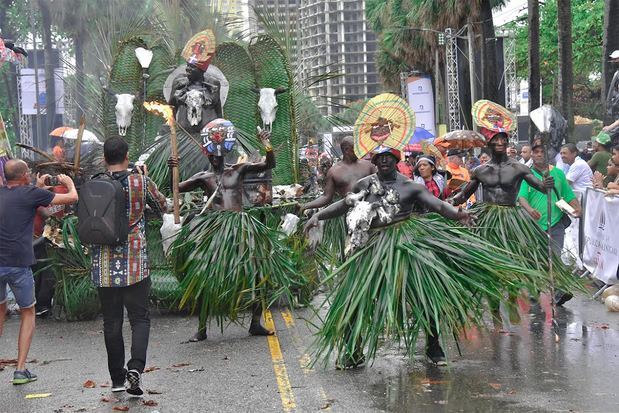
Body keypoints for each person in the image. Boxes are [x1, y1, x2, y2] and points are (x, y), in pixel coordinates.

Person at [172, 120, 277, 342]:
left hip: (240, 227)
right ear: (208, 154)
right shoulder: (203, 178)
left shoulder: (239, 169)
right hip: (215, 230)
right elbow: (175, 190)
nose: (217, 158)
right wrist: (174, 168)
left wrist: (266, 144)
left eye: (220, 155)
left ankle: (255, 323)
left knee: (261, 271)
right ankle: (201, 329)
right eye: (213, 155)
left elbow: (269, 165)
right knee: (203, 276)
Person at [90, 137, 168, 397]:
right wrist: (145, 180)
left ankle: (116, 379)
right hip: (135, 262)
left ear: (105, 157)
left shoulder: (94, 183)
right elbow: (162, 206)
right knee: (139, 318)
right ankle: (136, 368)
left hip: (103, 264)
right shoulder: (139, 182)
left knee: (111, 321)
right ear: (126, 154)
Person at [0, 159, 78, 384]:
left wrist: (39, 186)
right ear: (25, 175)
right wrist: (69, 182)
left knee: (1, 308)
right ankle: (21, 369)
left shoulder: (10, 193)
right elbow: (72, 198)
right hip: (18, 264)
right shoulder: (30, 193)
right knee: (28, 311)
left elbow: (27, 199)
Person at [518, 140, 582, 305]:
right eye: (536, 152)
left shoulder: (558, 174)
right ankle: (535, 288)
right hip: (533, 225)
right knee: (535, 258)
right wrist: (529, 210)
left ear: (549, 154)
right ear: (532, 154)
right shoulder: (527, 175)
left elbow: (567, 195)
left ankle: (559, 290)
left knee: (555, 256)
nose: (539, 154)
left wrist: (576, 207)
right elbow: (522, 197)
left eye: (542, 152)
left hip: (556, 224)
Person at [301, 136, 376, 212]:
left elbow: (381, 185)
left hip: (370, 210)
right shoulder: (334, 171)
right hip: (348, 213)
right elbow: (326, 197)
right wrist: (305, 206)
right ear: (346, 150)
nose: (359, 151)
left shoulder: (369, 166)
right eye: (355, 149)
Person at [169, 62, 223, 134]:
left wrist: (221, 126)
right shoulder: (179, 83)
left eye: (192, 67)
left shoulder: (213, 84)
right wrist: (171, 127)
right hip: (184, 134)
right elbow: (171, 107)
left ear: (202, 70)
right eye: (188, 65)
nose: (188, 69)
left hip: (209, 135)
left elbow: (217, 107)